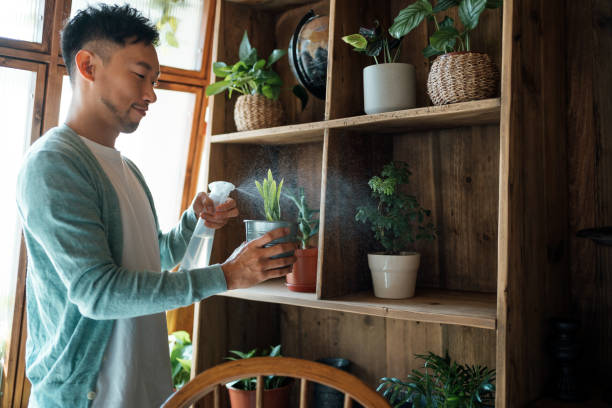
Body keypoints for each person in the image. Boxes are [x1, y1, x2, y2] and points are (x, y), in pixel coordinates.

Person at [16, 4, 296, 408]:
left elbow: (155, 259)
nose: (151, 94)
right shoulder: (53, 165)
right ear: (88, 65)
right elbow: (98, 293)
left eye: (155, 80)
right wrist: (228, 276)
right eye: (140, 75)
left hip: (143, 391)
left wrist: (192, 223)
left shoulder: (125, 168)